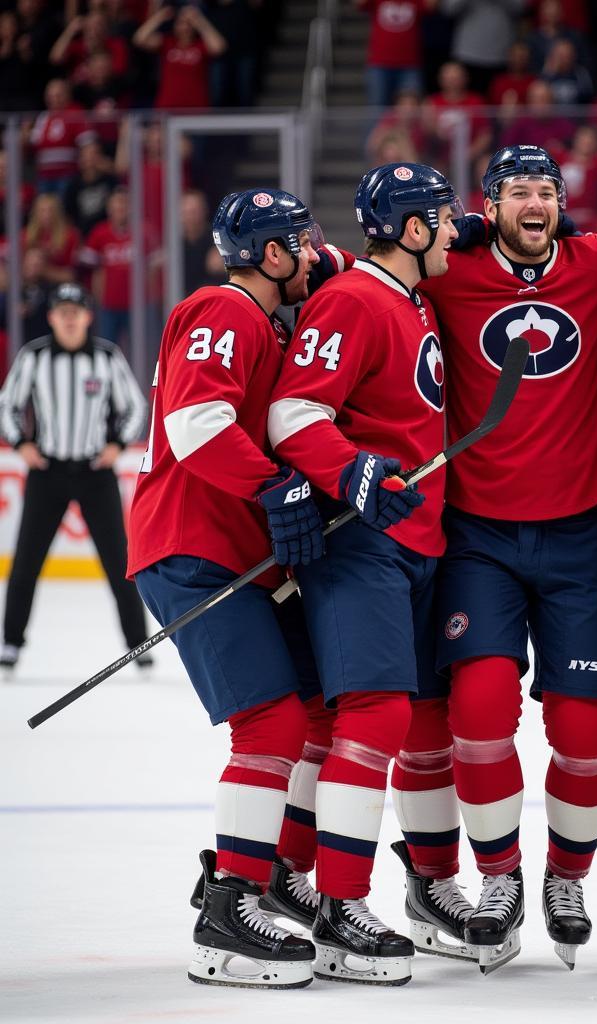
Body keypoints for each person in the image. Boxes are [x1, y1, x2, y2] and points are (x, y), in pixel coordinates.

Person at [415, 145, 597, 972]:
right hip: (478, 537)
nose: (534, 202)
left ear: (561, 205)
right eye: (517, 191)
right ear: (490, 204)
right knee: (480, 705)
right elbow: (371, 273)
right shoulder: (450, 270)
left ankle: (566, 880)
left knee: (582, 727)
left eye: (547, 190)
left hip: (579, 536)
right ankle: (498, 876)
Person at [128, 188, 330, 990]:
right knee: (272, 720)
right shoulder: (229, 308)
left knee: (316, 708)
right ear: (272, 254)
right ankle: (230, 906)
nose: (314, 255)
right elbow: (196, 424)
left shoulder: (263, 315)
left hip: (233, 551)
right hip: (193, 546)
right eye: (303, 244)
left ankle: (277, 870)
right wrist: (278, 489)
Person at [266, 163, 460, 986]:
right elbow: (294, 413)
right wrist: (352, 473)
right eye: (444, 220)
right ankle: (340, 909)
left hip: (412, 541)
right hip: (362, 539)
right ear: (413, 231)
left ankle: (291, 877)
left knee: (385, 717)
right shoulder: (355, 299)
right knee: (373, 717)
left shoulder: (406, 292)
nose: (457, 231)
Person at [0, 281, 148, 673]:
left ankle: (138, 644)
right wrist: (20, 444)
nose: (68, 319)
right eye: (61, 312)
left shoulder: (106, 356)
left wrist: (117, 443)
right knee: (27, 562)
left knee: (120, 562)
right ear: (51, 317)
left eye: (75, 312)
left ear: (87, 316)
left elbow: (135, 407)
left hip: (94, 473)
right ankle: (11, 643)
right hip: (47, 472)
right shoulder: (33, 357)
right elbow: (7, 406)